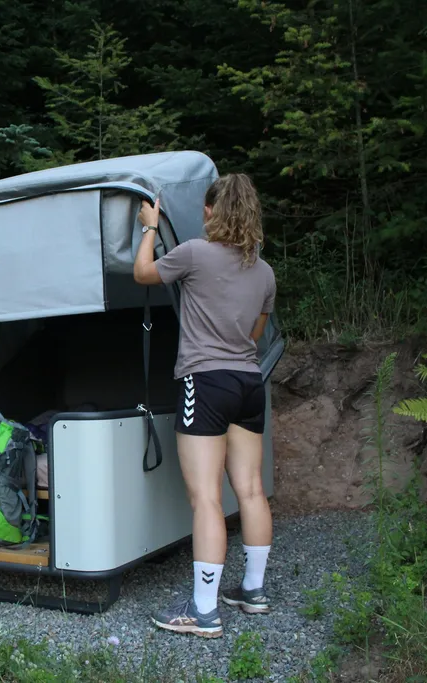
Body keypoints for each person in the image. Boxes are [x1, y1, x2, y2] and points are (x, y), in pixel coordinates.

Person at [133, 173, 276, 638]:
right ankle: (253, 591)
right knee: (250, 490)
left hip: (206, 382)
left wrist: (149, 228)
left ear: (210, 212)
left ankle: (203, 611)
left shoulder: (194, 252)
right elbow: (255, 334)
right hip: (250, 382)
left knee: (207, 498)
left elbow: (142, 274)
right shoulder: (265, 272)